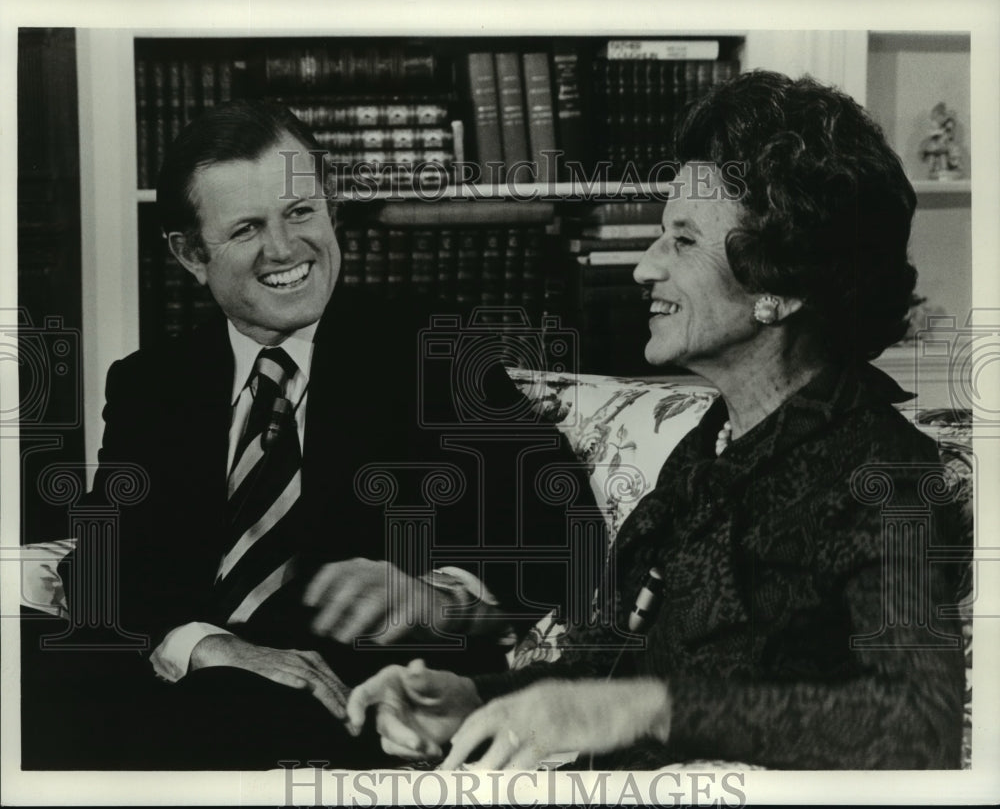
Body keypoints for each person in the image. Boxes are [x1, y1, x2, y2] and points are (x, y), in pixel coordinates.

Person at [346, 71, 967, 770]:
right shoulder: (712, 447)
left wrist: (649, 710)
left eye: (682, 240)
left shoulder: (883, 472)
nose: (644, 268)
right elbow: (615, 669)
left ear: (778, 287)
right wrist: (473, 697)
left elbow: (920, 724)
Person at [25, 100, 595, 769]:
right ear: (189, 254)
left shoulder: (430, 350)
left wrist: (435, 597)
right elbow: (101, 569)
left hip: (345, 699)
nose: (286, 249)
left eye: (301, 212)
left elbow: (565, 531)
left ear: (329, 210)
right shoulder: (153, 384)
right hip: (184, 690)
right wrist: (205, 646)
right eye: (247, 228)